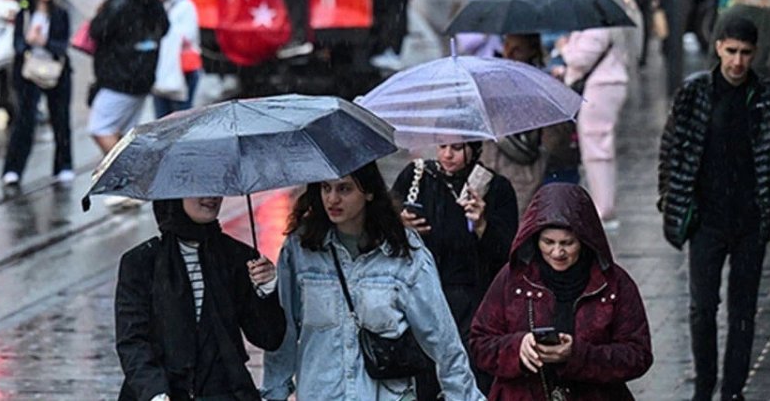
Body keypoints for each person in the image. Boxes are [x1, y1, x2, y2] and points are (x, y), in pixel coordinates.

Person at [658, 16, 770, 400]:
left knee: (743, 309)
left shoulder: (769, 97)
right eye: (732, 51)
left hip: (751, 220)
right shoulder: (694, 94)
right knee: (702, 308)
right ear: (718, 46)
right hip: (706, 219)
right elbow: (671, 148)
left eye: (746, 53)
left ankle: (733, 388)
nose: (738, 61)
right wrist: (671, 200)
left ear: (755, 54)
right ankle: (705, 384)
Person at [262, 162, 485, 401]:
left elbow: (442, 339)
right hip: (322, 392)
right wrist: (274, 392)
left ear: (368, 192)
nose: (332, 199)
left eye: (344, 189)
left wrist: (464, 396)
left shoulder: (403, 252)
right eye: (326, 188)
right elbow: (284, 333)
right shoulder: (301, 249)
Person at [470, 184, 654, 400]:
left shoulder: (614, 283)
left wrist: (578, 355)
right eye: (548, 242)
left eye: (568, 243)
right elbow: (479, 343)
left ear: (584, 241)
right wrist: (518, 348)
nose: (557, 252)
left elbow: (638, 355)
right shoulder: (512, 278)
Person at [115, 198, 285, 400]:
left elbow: (268, 337)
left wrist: (266, 289)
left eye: (215, 186)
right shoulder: (142, 262)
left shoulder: (238, 257)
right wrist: (154, 393)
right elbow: (132, 340)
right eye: (198, 187)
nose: (211, 196)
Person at [393, 141, 519, 396]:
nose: (447, 154)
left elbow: (507, 256)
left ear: (473, 149)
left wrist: (482, 225)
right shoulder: (416, 178)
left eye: (457, 147)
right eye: (441, 146)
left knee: (469, 376)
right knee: (425, 377)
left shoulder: (496, 188)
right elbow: (383, 230)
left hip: (472, 301)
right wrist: (400, 224)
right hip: (422, 295)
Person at [88, 0, 169, 155]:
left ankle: (127, 172)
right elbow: (164, 28)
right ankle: (127, 176)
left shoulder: (118, 2)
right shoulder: (151, 1)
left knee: (100, 127)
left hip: (118, 77)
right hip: (143, 75)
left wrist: (101, 13)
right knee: (125, 131)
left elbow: (97, 31)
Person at [1, 0, 74, 187]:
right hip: (28, 72)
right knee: (24, 120)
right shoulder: (24, 14)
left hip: (56, 72)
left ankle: (64, 165)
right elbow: (17, 45)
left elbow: (62, 47)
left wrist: (45, 42)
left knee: (60, 119)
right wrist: (29, 41)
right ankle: (13, 168)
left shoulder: (60, 14)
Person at [556, 27, 628, 228]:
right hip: (601, 86)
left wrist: (564, 47)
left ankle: (603, 208)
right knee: (595, 148)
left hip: (600, 89)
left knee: (597, 148)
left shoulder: (597, 27)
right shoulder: (595, 25)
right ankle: (602, 206)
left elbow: (580, 59)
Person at [481, 34, 552, 213]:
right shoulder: (494, 78)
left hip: (522, 169)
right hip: (493, 163)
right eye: (506, 46)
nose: (509, 53)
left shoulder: (538, 84)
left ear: (532, 50)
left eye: (517, 49)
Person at [146, 0, 201, 118]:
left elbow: (188, 35)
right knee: (162, 121)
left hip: (183, 72)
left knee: (181, 119)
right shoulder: (155, 10)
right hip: (160, 75)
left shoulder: (185, 7)